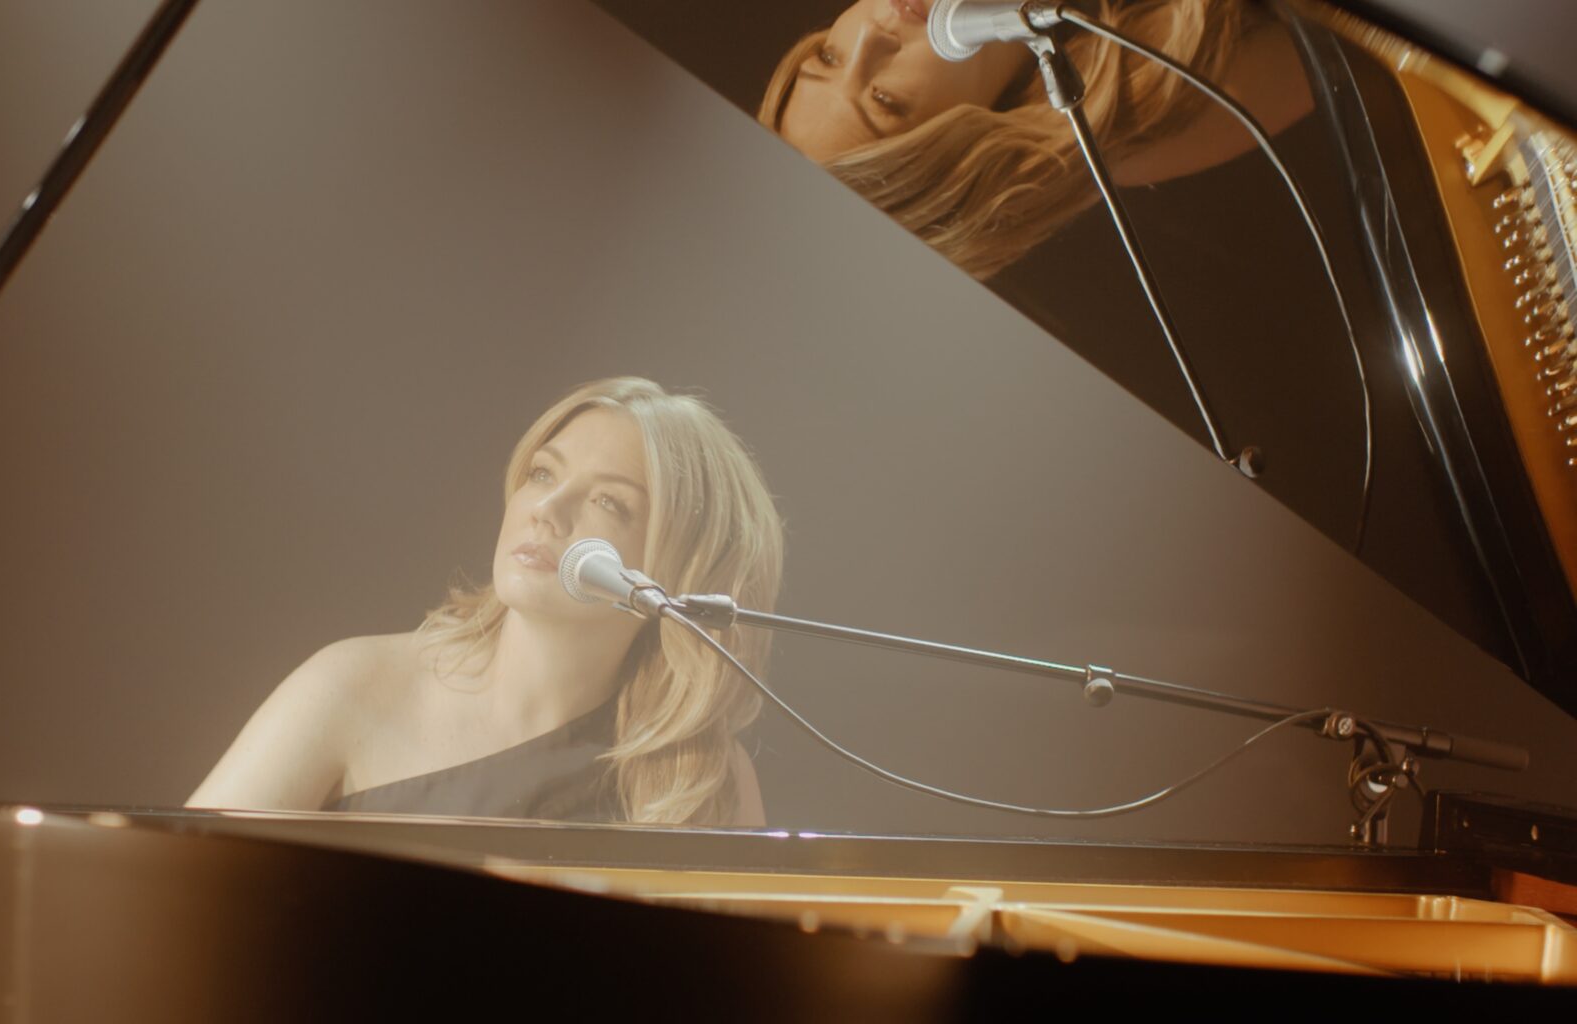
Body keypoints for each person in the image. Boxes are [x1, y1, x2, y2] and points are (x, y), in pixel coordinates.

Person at [185, 377, 785, 825]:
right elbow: (174, 890)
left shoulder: (706, 778)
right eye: (544, 474)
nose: (546, 509)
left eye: (608, 502)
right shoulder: (351, 683)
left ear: (678, 569)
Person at [758, 0, 1313, 279]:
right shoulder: (1129, 114)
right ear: (958, 149)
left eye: (827, 58)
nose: (869, 40)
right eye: (885, 101)